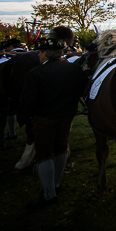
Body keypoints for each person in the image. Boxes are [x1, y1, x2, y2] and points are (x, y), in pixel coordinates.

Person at [17, 30, 88, 209]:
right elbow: (80, 90)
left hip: (44, 118)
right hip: (66, 116)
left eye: (40, 52)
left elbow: (28, 100)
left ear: (45, 53)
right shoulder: (73, 69)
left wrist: (23, 117)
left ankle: (49, 194)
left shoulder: (35, 73)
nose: (39, 55)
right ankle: (56, 183)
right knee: (62, 148)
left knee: (44, 154)